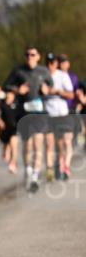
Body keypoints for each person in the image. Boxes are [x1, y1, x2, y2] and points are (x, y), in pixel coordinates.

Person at [2, 47, 52, 192]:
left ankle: (35, 176)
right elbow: (6, 86)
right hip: (24, 112)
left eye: (33, 54)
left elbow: (50, 85)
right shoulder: (19, 71)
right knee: (28, 145)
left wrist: (46, 90)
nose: (30, 57)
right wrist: (18, 90)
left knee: (38, 144)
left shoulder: (44, 71)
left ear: (38, 56)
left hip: (40, 112)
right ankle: (28, 169)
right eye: (27, 55)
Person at [44, 52, 75, 182]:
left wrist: (58, 92)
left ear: (56, 63)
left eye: (53, 62)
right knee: (49, 143)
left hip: (62, 113)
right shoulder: (43, 76)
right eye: (48, 63)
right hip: (48, 114)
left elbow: (71, 94)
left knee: (63, 143)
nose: (50, 65)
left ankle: (63, 165)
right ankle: (50, 169)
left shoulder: (62, 75)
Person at [0, 86, 20, 173]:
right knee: (6, 145)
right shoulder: (2, 104)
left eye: (12, 94)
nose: (10, 96)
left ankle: (13, 163)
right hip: (5, 128)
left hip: (14, 128)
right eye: (8, 94)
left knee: (14, 145)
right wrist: (0, 122)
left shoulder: (17, 104)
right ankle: (7, 154)